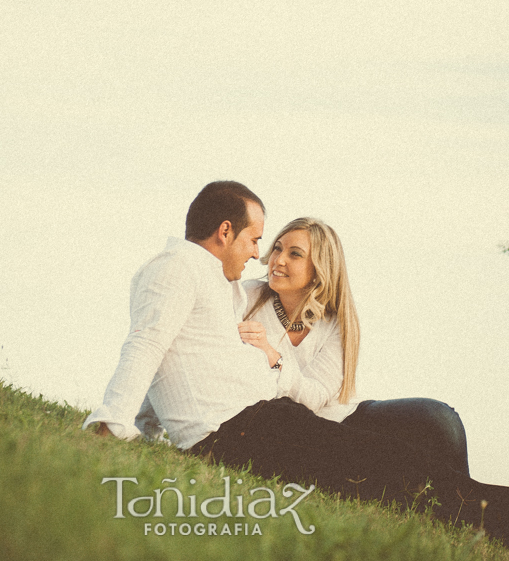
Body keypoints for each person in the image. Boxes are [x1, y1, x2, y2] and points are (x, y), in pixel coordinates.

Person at [84, 182, 509, 544]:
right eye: (257, 241)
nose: (261, 256)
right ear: (225, 231)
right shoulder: (191, 275)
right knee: (399, 473)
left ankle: (481, 518)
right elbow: (148, 344)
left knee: (417, 449)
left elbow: (175, 354)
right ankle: (486, 520)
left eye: (289, 252)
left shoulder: (206, 278)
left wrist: (271, 357)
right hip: (245, 427)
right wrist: (114, 422)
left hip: (274, 418)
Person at [237, 217, 469, 476]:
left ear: (319, 269)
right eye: (277, 248)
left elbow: (314, 398)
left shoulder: (336, 322)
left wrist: (273, 357)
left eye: (295, 254)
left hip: (347, 418)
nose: (278, 260)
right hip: (299, 430)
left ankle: (465, 503)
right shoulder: (248, 298)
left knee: (438, 420)